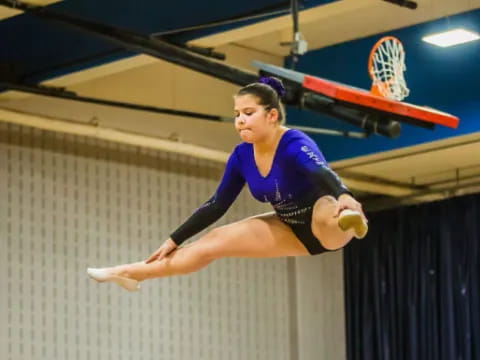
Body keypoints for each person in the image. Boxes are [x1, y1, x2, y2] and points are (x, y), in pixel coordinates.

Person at [87, 77, 368, 292]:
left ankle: (350, 216)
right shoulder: (241, 156)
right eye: (237, 114)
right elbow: (217, 203)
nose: (240, 120)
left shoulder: (294, 143)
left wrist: (343, 194)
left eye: (248, 112)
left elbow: (319, 171)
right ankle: (129, 273)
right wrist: (175, 238)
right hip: (287, 227)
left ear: (272, 115)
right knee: (213, 242)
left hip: (322, 220)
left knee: (329, 210)